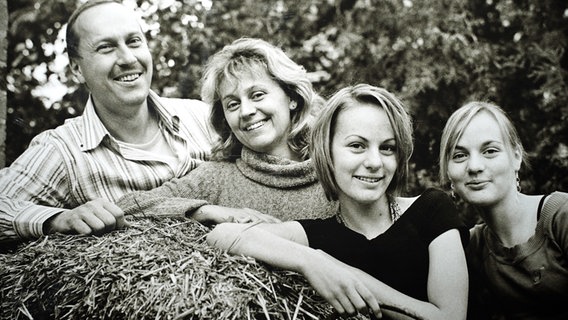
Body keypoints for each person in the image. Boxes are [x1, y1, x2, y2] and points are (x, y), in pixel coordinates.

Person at [207, 84, 469, 319]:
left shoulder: (431, 210)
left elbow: (450, 317)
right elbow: (223, 235)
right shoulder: (318, 237)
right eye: (357, 145)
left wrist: (349, 276)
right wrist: (313, 262)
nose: (375, 162)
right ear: (327, 152)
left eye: (388, 148)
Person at [0, 0, 216, 244]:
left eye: (134, 41)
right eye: (106, 47)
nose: (127, 58)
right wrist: (58, 219)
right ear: (77, 70)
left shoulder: (204, 118)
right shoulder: (63, 151)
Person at [116, 38, 335, 224]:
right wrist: (208, 211)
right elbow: (129, 206)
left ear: (292, 98)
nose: (246, 111)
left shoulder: (335, 165)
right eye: (232, 104)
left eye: (257, 94)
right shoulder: (216, 176)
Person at [439, 101, 568, 320]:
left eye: (490, 151)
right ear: (448, 172)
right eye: (460, 155)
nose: (474, 166)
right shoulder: (469, 249)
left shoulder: (560, 216)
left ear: (516, 157)